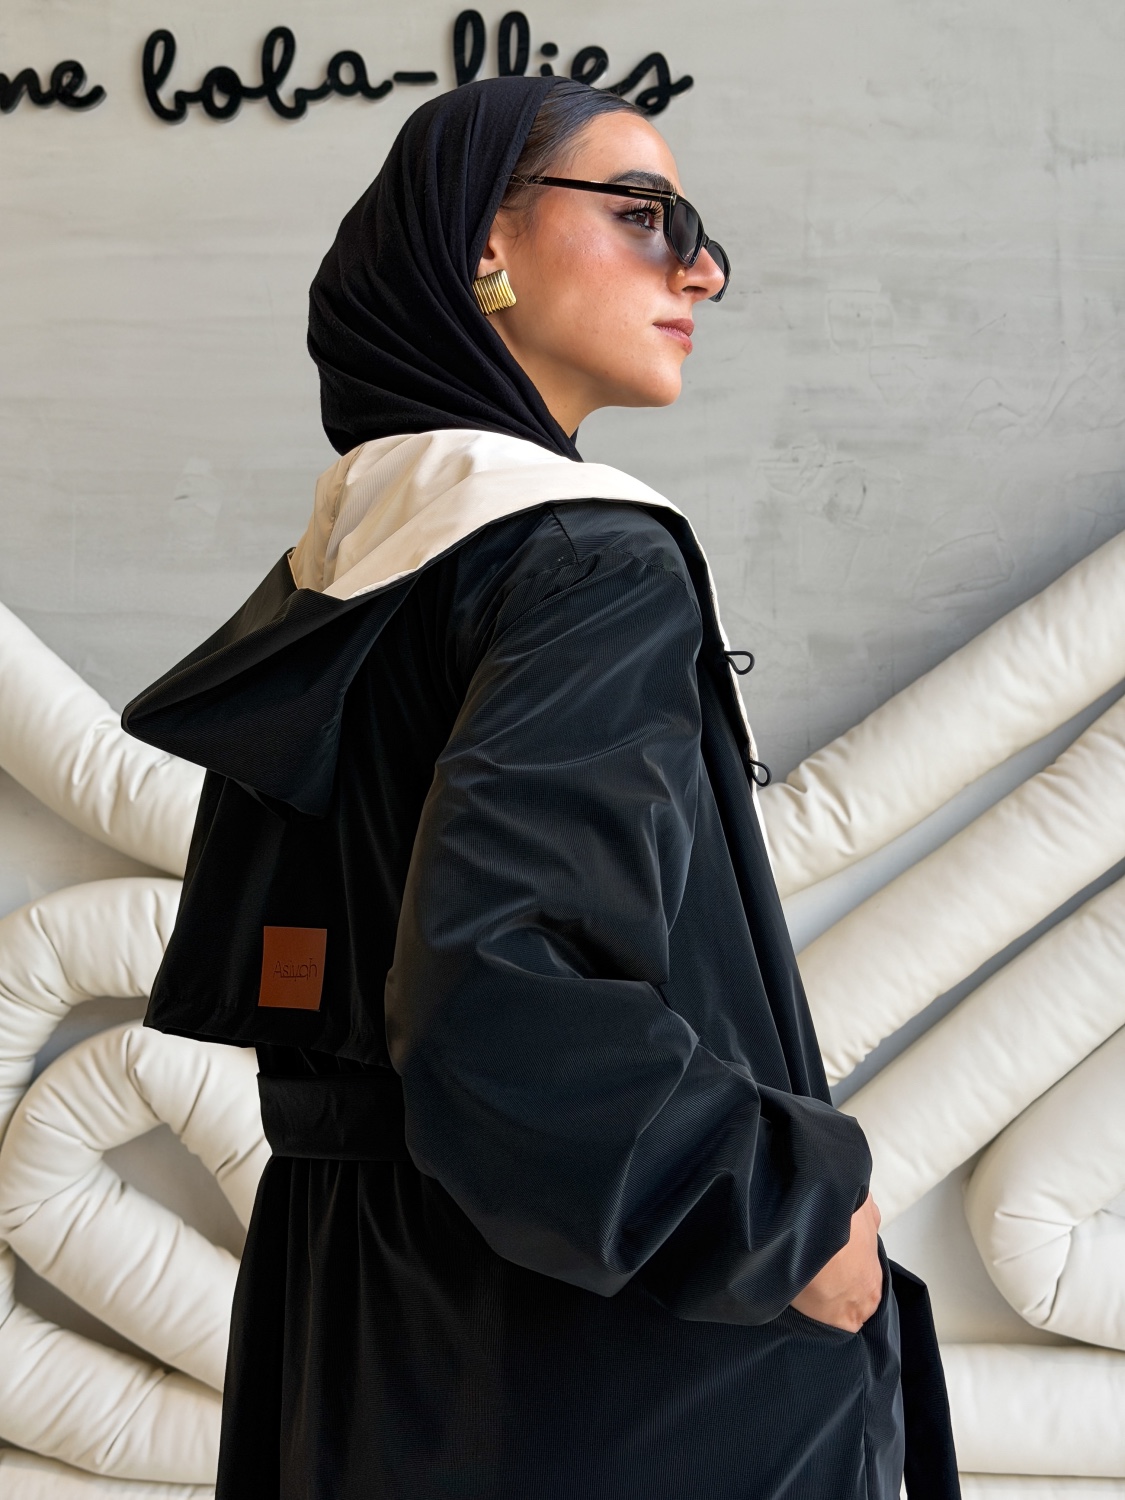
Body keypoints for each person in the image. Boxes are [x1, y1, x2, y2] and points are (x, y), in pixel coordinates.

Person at [124, 75, 958, 1500]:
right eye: (645, 214)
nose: (701, 268)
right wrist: (781, 1214)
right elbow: (493, 991)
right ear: (485, 247)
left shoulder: (361, 557)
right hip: (604, 1354)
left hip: (356, 1303)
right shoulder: (585, 562)